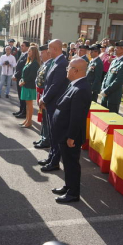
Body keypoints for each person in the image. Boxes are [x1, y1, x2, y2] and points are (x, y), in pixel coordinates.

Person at [51, 58, 92, 203]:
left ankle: (73, 193)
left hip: (70, 136)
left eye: (69, 67)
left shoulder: (81, 89)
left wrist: (71, 137)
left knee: (72, 165)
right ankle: (68, 186)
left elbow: (77, 117)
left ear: (76, 70)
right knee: (67, 164)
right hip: (64, 133)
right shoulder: (74, 84)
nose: (66, 69)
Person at [38, 39, 70, 172]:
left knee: (56, 135)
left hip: (56, 104)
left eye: (49, 49)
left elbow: (55, 86)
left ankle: (55, 162)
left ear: (56, 49)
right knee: (52, 134)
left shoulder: (62, 63)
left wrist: (44, 99)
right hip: (51, 103)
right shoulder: (55, 61)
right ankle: (51, 157)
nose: (47, 52)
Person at [100, 41, 123, 113]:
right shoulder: (114, 61)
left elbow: (118, 81)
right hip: (105, 94)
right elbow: (107, 75)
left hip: (113, 96)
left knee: (110, 119)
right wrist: (103, 87)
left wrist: (106, 91)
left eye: (117, 48)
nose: (115, 49)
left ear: (122, 49)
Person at [34, 44, 53, 149]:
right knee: (43, 117)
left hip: (45, 95)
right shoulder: (45, 64)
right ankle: (43, 137)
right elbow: (38, 78)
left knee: (45, 118)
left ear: (48, 53)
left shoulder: (50, 64)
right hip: (41, 94)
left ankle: (46, 140)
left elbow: (47, 82)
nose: (40, 55)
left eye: (42, 52)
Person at [19, 45, 40, 128]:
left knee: (29, 104)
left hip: (29, 86)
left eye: (30, 51)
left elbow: (32, 76)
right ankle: (27, 120)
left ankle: (29, 121)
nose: (28, 52)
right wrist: (21, 80)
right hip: (25, 84)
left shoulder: (35, 63)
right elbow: (24, 73)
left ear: (34, 52)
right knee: (27, 104)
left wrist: (23, 82)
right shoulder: (29, 61)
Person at [12, 41, 29, 118]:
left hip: (22, 79)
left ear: (27, 47)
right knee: (20, 95)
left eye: (23, 46)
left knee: (22, 97)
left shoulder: (28, 56)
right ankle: (21, 110)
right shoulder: (22, 54)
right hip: (18, 78)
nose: (21, 47)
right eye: (21, 45)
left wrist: (15, 75)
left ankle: (24, 112)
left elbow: (23, 68)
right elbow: (18, 66)